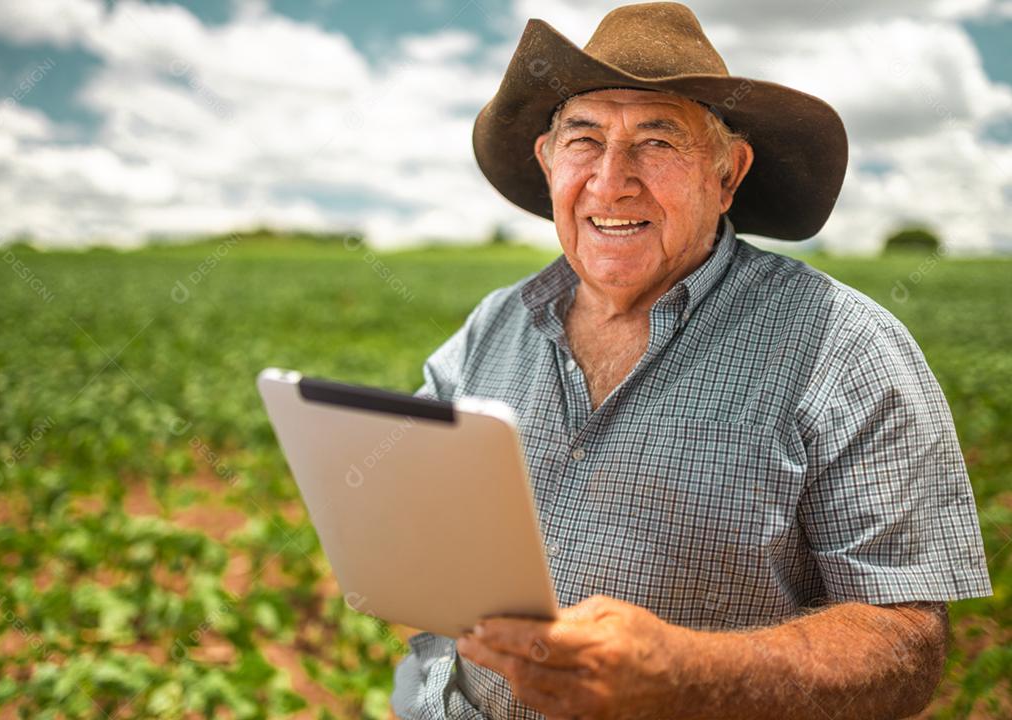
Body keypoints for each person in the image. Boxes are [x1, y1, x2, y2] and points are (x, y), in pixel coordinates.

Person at [390, 3, 992, 718]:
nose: (611, 182)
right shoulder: (494, 325)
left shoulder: (847, 348)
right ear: (548, 162)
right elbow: (405, 511)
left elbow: (905, 646)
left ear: (727, 173)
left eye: (657, 141)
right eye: (584, 140)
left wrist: (686, 674)